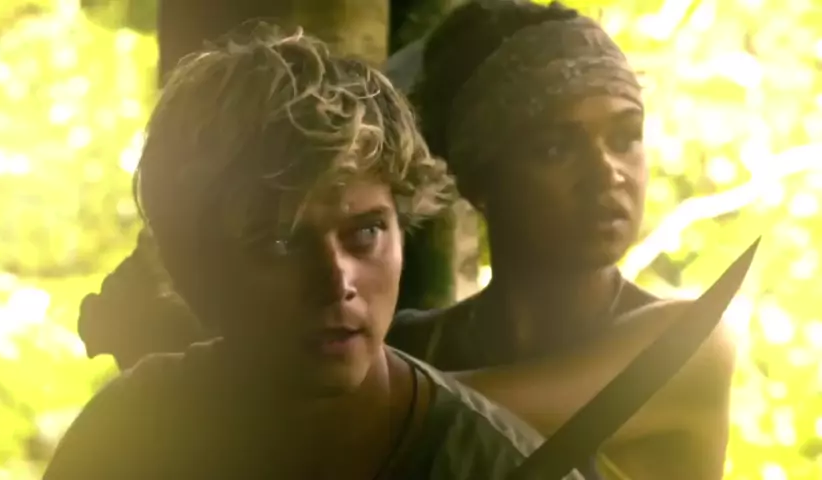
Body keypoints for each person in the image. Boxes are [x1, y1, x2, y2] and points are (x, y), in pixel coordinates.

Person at [43, 25, 585, 480]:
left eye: (365, 233)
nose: (336, 281)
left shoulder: (497, 467)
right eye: (280, 242)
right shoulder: (127, 437)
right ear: (196, 268)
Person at [386, 2, 736, 479]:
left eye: (625, 138)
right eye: (555, 147)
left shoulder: (688, 344)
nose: (607, 173)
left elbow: (434, 418)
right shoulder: (414, 346)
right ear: (480, 182)